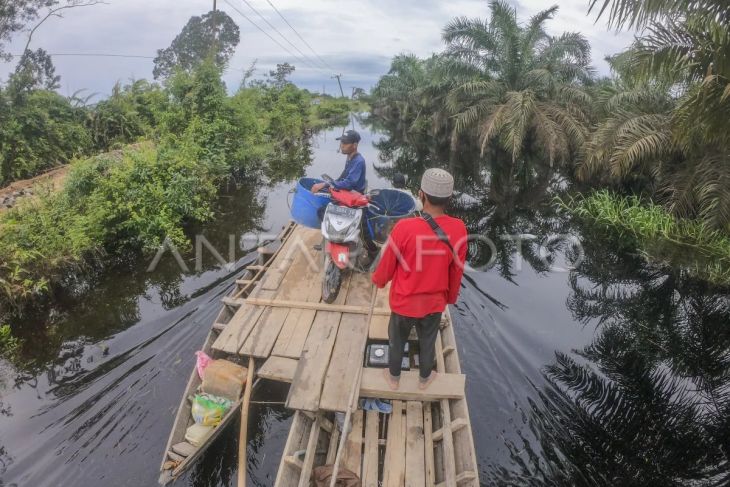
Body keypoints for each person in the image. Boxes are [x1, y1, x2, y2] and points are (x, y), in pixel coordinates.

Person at [371, 168, 467, 390]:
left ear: (421, 194)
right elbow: (456, 270)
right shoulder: (459, 228)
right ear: (449, 199)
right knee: (428, 339)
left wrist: (379, 280)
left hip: (404, 302)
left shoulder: (404, 227)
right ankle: (425, 379)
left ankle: (393, 378)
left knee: (397, 340)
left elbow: (387, 266)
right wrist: (450, 298)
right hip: (434, 303)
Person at [311, 130, 366, 194]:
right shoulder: (350, 158)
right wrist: (329, 183)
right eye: (342, 142)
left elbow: (349, 184)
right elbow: (343, 177)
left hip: (354, 195)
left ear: (355, 145)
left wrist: (326, 184)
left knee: (320, 189)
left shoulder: (358, 161)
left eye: (345, 143)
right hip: (346, 190)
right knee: (317, 183)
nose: (342, 145)